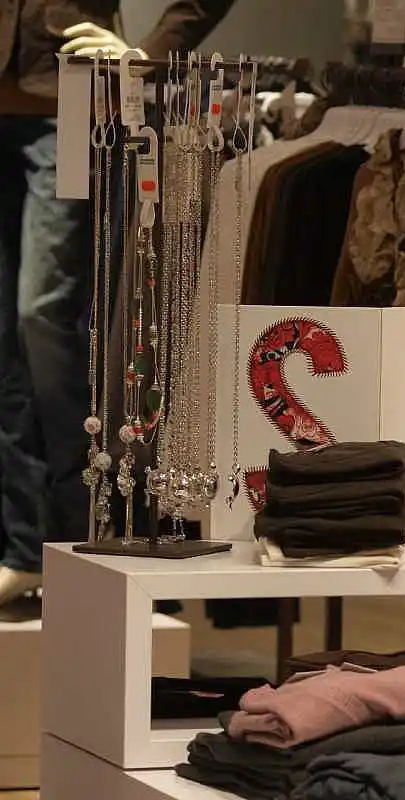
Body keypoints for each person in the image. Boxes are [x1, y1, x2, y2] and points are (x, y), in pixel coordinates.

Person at [0, 0, 236, 606]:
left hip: (68, 98)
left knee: (42, 316)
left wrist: (150, 53)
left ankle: (79, 527)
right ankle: (22, 544)